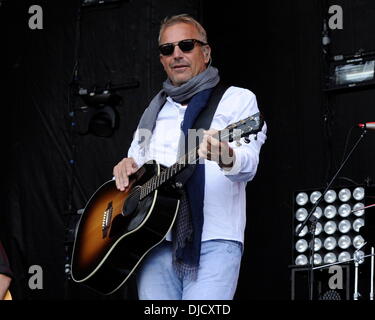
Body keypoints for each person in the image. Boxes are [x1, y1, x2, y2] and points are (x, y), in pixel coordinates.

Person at [113, 14, 267, 300]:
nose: (177, 55)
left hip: (214, 240)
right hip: (154, 243)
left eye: (186, 45)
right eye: (167, 49)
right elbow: (136, 163)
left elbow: (249, 165)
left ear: (205, 53)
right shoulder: (154, 112)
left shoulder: (236, 100)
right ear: (161, 59)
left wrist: (226, 156)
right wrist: (124, 168)